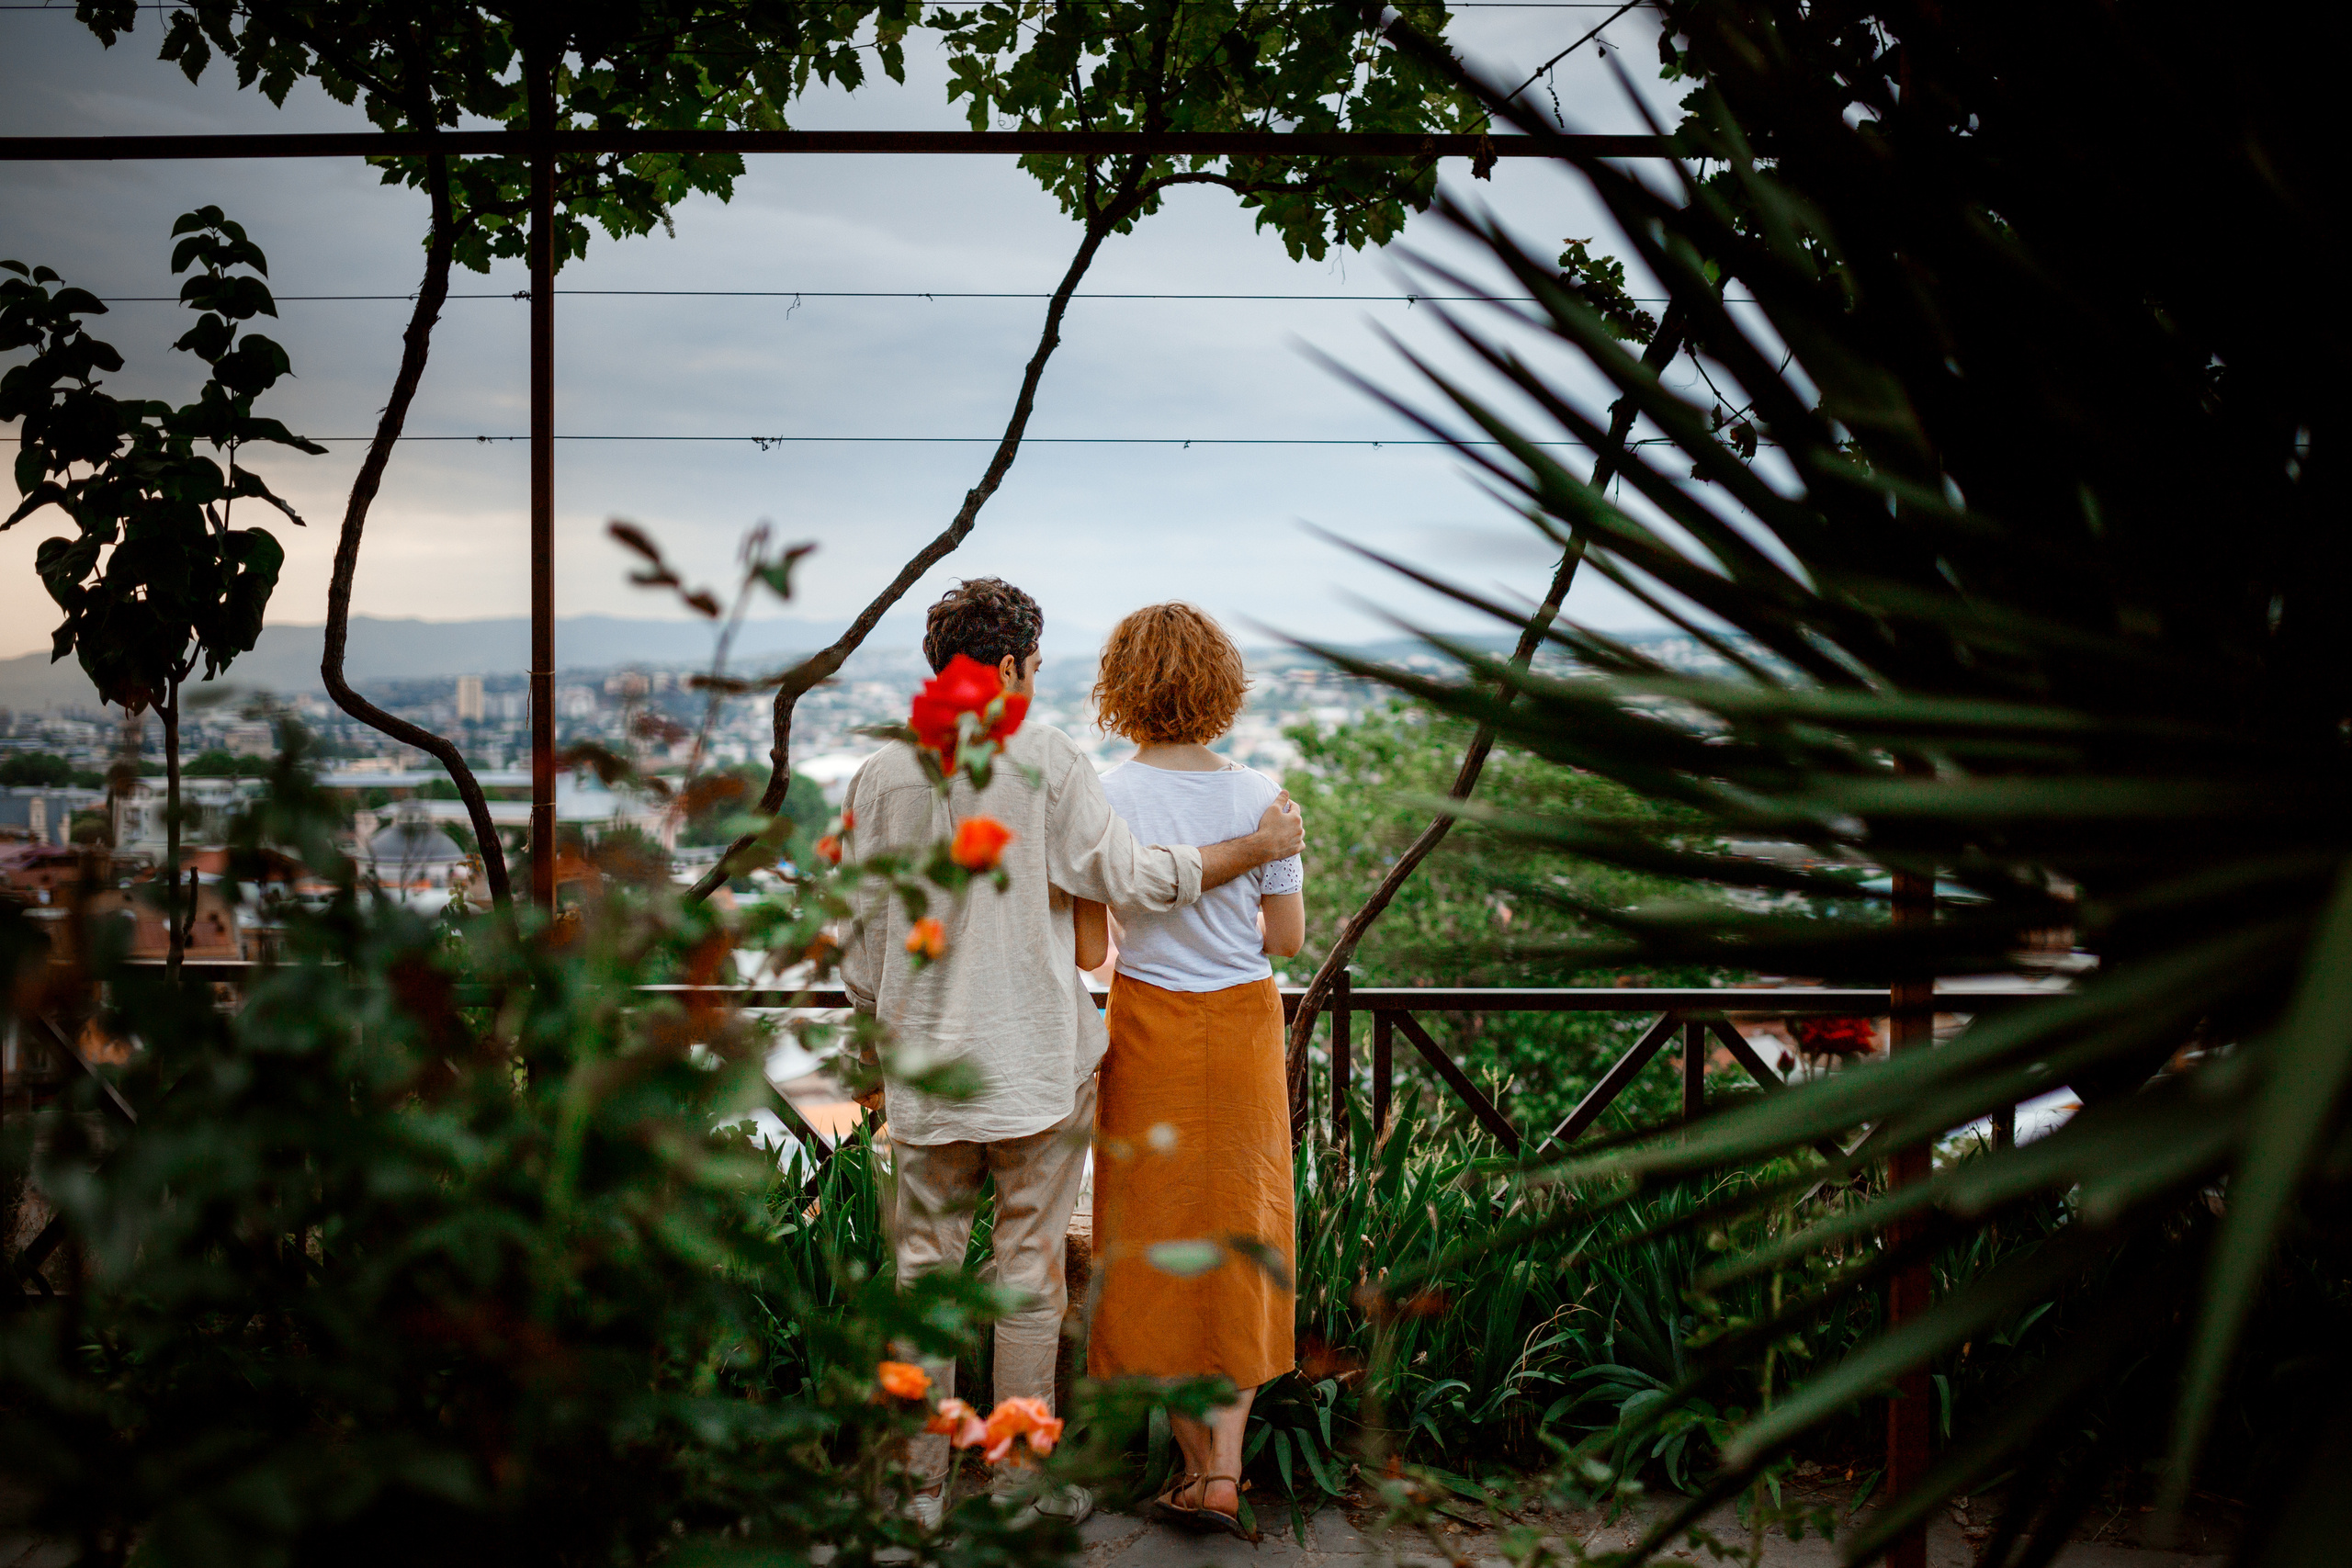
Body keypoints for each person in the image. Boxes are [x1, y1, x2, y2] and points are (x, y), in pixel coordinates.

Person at [838, 578, 1305, 1530]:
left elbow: (859, 943)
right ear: (1008, 665)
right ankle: (1013, 1489)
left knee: (921, 1281)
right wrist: (1250, 847)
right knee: (1027, 1281)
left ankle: (915, 1496)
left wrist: (880, 1046)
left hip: (926, 1072)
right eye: (1036, 666)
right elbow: (1131, 879)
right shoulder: (1042, 758)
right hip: (1038, 1071)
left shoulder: (881, 775)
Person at [1083, 603, 1304, 1536]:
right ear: (1223, 686)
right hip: (1246, 1030)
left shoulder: (1102, 797)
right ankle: (1223, 1471)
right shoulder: (1264, 798)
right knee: (1243, 1229)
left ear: (1120, 689)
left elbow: (1095, 944)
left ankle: (1195, 1468)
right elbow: (1285, 941)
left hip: (1147, 1029)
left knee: (1151, 1233)